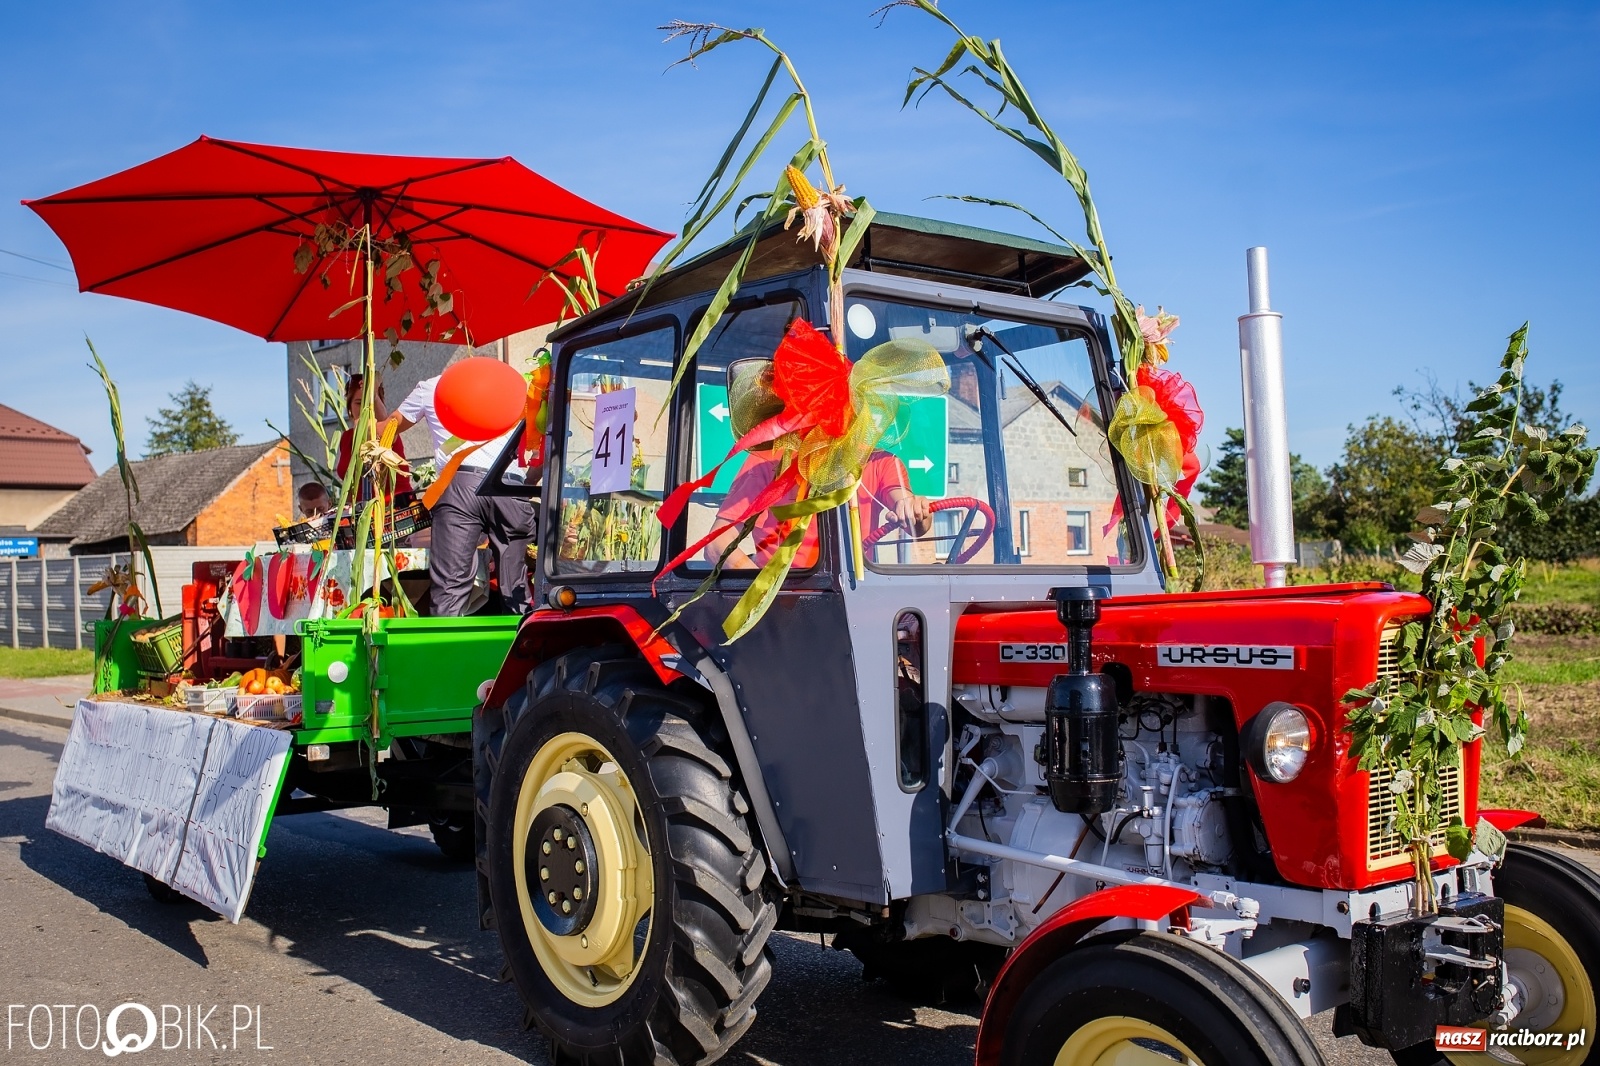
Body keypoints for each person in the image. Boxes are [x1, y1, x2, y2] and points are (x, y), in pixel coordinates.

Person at [391, 374, 536, 616]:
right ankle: (522, 647)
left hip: (460, 485)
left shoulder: (431, 387)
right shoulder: (517, 385)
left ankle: (446, 651)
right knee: (516, 587)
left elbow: (390, 427)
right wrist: (525, 483)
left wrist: (369, 412)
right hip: (510, 486)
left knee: (450, 588)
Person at [706, 449, 931, 570]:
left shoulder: (880, 462)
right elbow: (717, 544)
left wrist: (912, 508)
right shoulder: (767, 460)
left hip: (855, 597)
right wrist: (761, 594)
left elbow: (913, 520)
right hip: (784, 600)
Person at [335, 374, 412, 498]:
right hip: (361, 511)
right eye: (359, 403)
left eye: (370, 404)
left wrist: (374, 396)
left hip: (393, 509)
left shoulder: (386, 430)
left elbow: (386, 427)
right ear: (349, 406)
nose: (365, 409)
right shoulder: (346, 438)